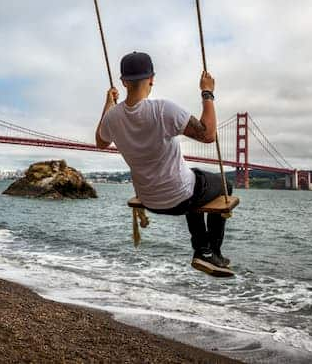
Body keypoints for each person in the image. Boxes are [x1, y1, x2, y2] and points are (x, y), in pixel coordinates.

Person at [95, 51, 233, 274]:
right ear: (151, 78)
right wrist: (207, 92)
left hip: (149, 200)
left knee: (194, 177)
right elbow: (208, 135)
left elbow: (101, 142)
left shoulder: (112, 118)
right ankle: (209, 253)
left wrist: (108, 103)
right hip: (180, 199)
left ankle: (203, 248)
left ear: (123, 82)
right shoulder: (163, 110)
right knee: (224, 185)